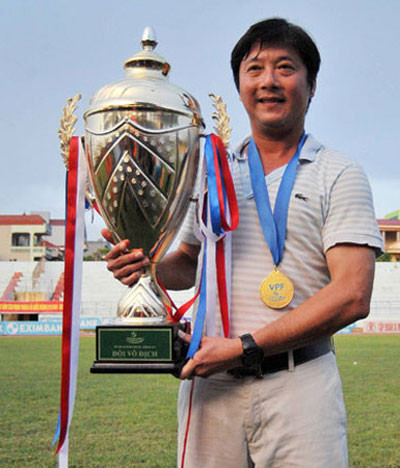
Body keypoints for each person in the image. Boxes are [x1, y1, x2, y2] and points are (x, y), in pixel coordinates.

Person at [103, 18, 383, 468]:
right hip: (210, 386)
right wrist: (147, 265)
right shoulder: (209, 169)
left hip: (300, 386)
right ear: (239, 87)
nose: (268, 80)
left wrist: (244, 346)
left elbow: (352, 294)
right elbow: (189, 262)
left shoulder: (339, 173)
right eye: (255, 69)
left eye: (285, 68)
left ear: (311, 86)